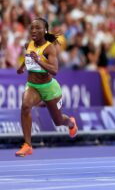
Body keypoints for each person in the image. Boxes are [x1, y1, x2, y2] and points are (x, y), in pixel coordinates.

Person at [15, 18, 78, 157]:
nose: (33, 30)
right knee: (25, 106)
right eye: (32, 28)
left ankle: (71, 123)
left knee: (58, 121)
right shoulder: (28, 44)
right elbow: (28, 58)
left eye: (37, 28)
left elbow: (54, 70)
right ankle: (27, 145)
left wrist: (38, 60)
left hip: (49, 88)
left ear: (45, 30)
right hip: (32, 86)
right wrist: (21, 68)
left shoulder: (50, 48)